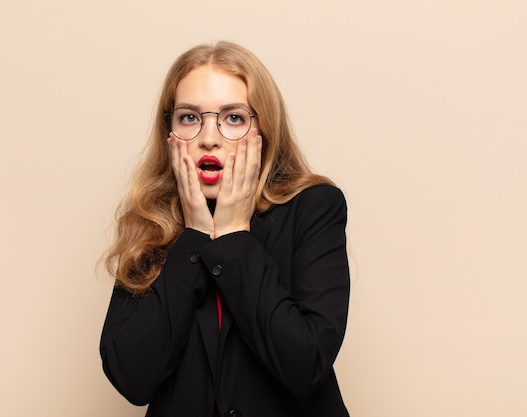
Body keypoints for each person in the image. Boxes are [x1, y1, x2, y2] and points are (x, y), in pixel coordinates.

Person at [100, 41, 350, 417]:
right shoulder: (151, 218)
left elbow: (305, 365)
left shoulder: (314, 207)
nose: (209, 138)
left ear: (262, 127)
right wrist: (195, 237)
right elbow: (132, 378)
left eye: (233, 117)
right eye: (189, 117)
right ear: (168, 131)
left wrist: (234, 236)